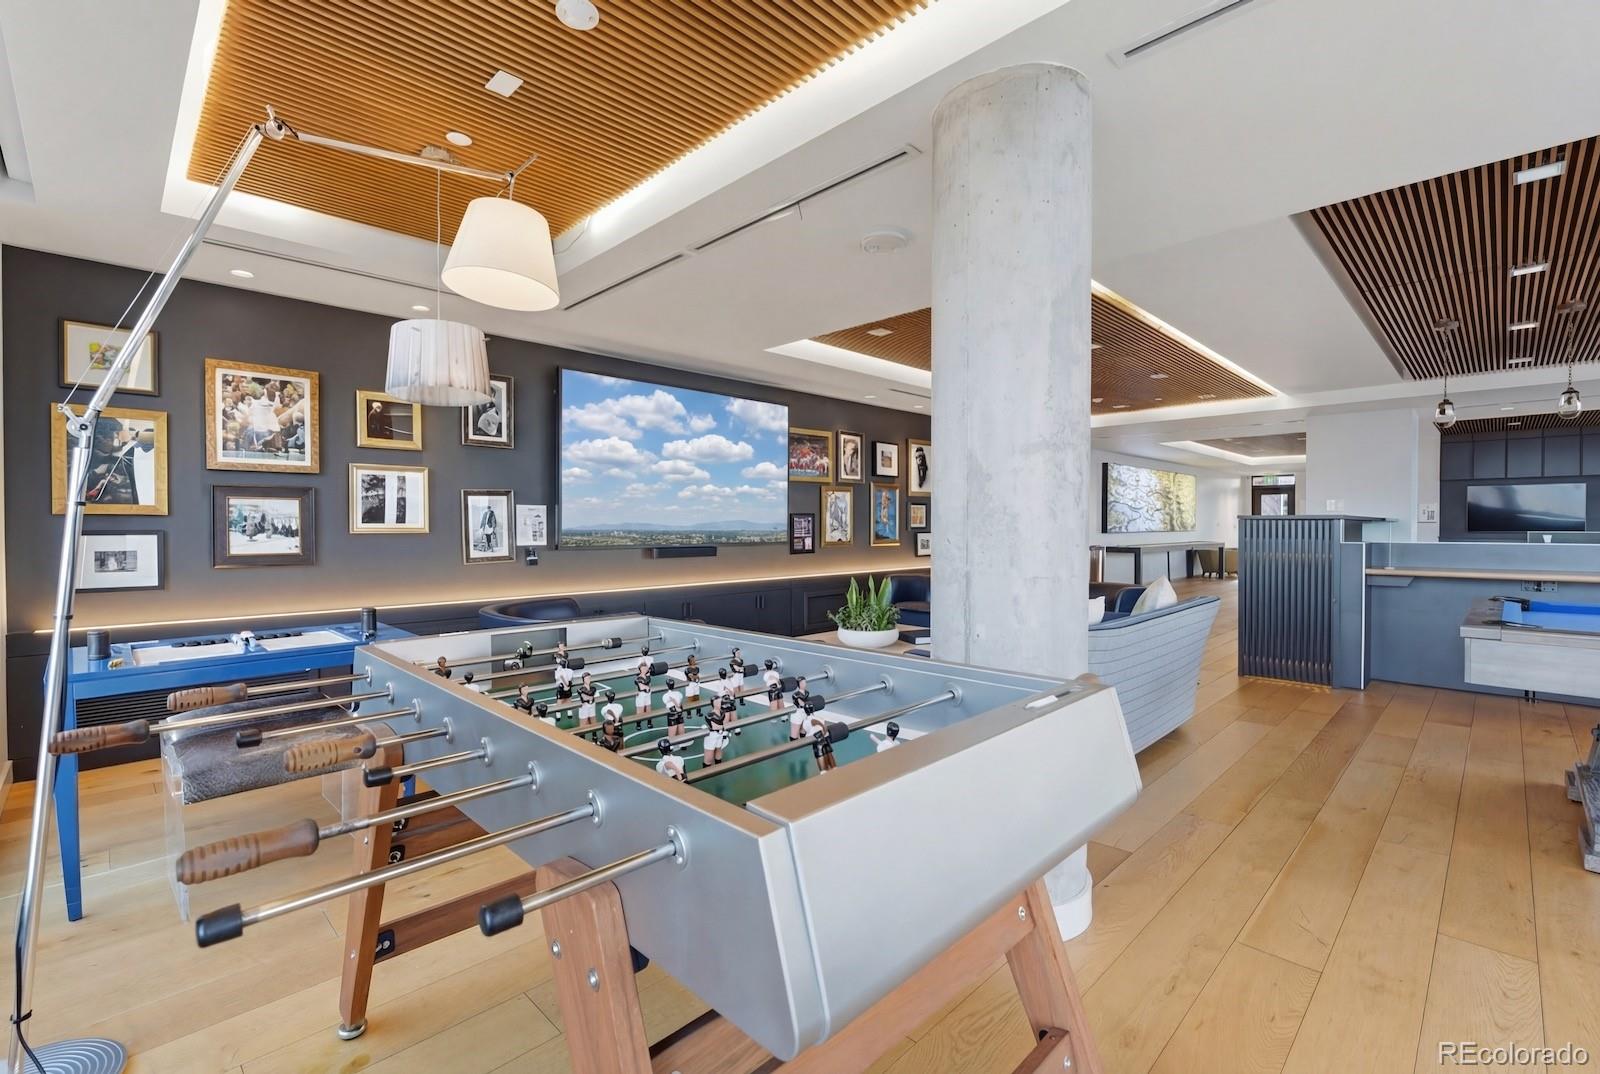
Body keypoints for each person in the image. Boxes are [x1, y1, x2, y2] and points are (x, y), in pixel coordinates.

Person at [702, 693, 733, 767]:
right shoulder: (710, 715)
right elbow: (715, 727)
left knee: (718, 750)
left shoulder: (722, 712)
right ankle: (706, 772)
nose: (721, 703)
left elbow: (725, 722)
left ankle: (718, 767)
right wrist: (723, 727)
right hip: (711, 736)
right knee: (709, 757)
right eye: (719, 702)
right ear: (714, 704)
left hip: (720, 734)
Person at [789, 676, 812, 740]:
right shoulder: (796, 695)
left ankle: (802, 741)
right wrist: (808, 707)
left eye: (805, 683)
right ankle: (793, 744)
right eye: (802, 683)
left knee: (804, 729)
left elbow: (807, 701)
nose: (804, 684)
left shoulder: (807, 692)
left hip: (804, 712)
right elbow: (802, 703)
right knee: (794, 734)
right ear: (798, 684)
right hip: (797, 713)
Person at [634, 659, 654, 726]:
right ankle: (638, 724)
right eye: (643, 668)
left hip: (648, 694)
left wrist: (649, 689)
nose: (645, 669)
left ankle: (649, 723)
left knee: (648, 709)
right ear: (640, 669)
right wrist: (647, 687)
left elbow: (650, 685)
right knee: (640, 711)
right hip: (641, 695)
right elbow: (642, 687)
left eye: (646, 668)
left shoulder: (648, 677)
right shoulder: (638, 678)